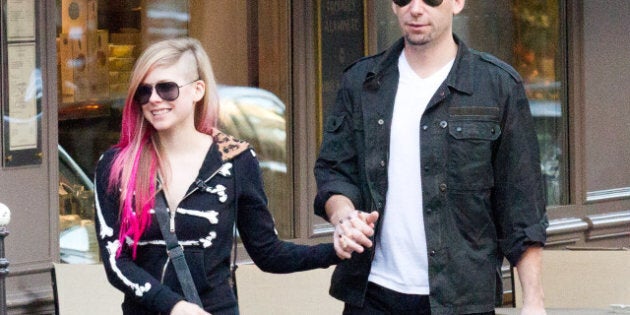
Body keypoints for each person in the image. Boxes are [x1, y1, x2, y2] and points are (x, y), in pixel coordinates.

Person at [314, 0, 548, 314]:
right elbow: (334, 170)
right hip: (372, 293)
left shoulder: (497, 86)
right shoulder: (362, 82)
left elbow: (522, 201)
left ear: (457, 3)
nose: (416, 8)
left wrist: (533, 300)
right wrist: (344, 217)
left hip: (461, 299)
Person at [94, 37, 339, 315]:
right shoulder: (117, 165)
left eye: (167, 89)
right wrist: (174, 306)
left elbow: (268, 252)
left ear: (198, 90)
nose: (154, 99)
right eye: (144, 91)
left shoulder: (235, 161)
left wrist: (336, 251)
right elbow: (116, 261)